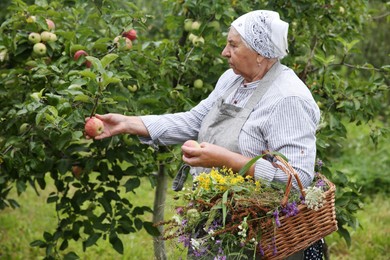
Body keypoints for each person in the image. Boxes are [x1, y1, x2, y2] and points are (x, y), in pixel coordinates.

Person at [89, 10, 322, 260]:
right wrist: (127, 123)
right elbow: (195, 119)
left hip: (270, 240)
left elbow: (297, 181)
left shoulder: (288, 98)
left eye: (233, 44)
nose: (224, 52)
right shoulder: (232, 81)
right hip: (223, 225)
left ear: (260, 53)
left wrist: (225, 160)